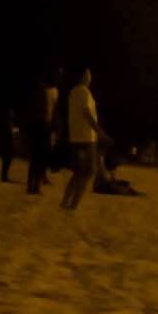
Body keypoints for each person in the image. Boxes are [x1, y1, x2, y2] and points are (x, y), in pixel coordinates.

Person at [52, 65, 105, 211]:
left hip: (76, 137)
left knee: (79, 172)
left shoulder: (73, 92)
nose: (90, 77)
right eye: (88, 74)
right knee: (89, 171)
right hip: (87, 138)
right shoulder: (84, 92)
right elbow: (87, 114)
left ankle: (66, 202)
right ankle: (73, 204)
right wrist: (99, 132)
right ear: (83, 76)